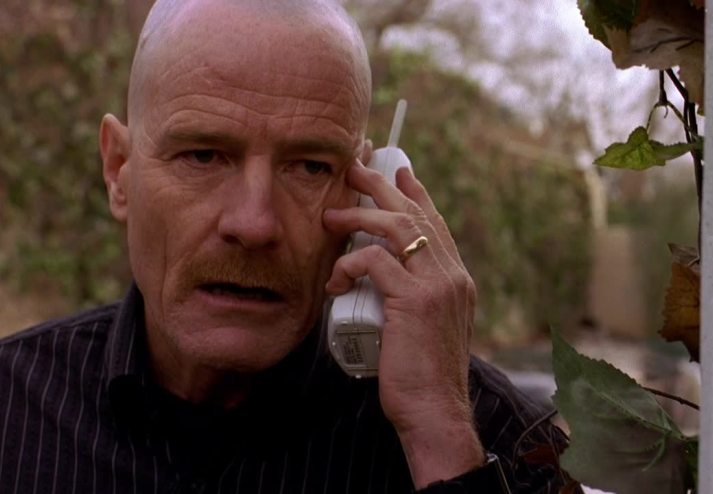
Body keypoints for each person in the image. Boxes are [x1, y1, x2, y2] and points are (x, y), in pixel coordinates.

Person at [0, 0, 571, 492]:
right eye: (203, 155)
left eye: (309, 166)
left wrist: (441, 439)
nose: (254, 224)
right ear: (119, 171)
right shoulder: (13, 409)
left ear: (364, 187)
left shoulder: (509, 446)